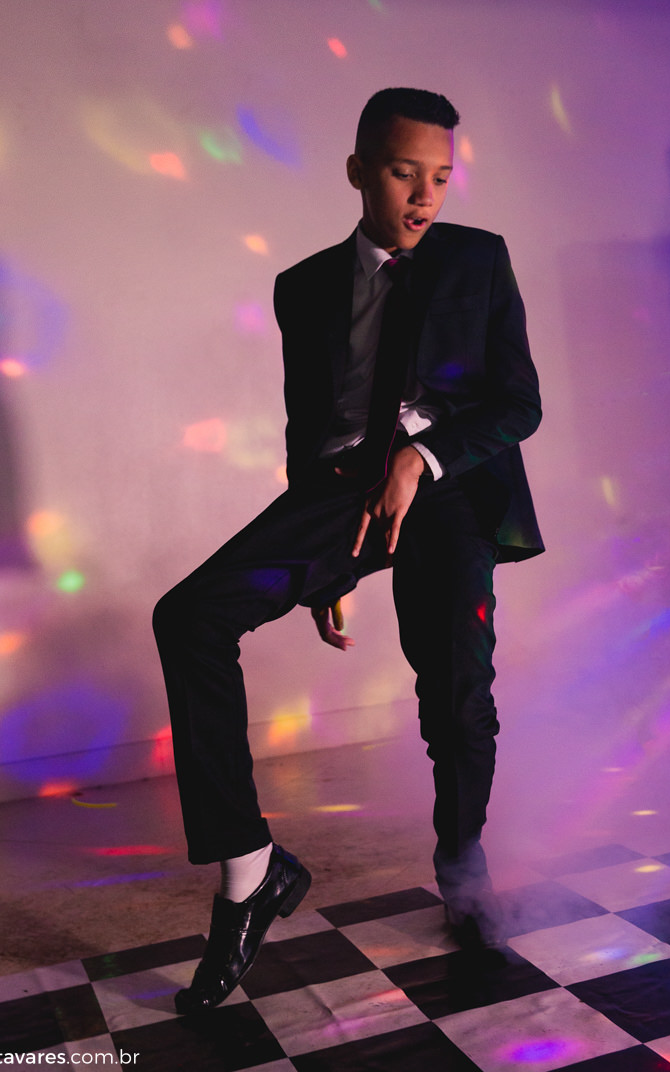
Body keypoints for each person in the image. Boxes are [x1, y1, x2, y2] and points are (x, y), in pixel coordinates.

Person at [153, 87, 543, 1013]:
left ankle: (463, 868)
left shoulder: (479, 260)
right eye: (405, 173)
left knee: (456, 696)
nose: (424, 196)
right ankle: (250, 868)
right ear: (360, 171)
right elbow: (308, 425)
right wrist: (324, 564)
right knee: (190, 617)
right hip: (342, 492)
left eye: (440, 177)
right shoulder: (304, 286)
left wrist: (420, 458)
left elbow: (518, 403)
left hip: (449, 486)